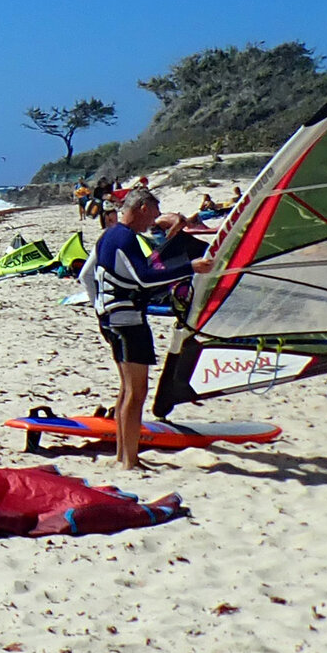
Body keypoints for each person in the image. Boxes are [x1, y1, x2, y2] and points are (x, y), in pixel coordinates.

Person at [85, 190, 202, 472]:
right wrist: (190, 267)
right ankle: (130, 460)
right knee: (137, 393)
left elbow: (87, 275)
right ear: (141, 207)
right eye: (153, 211)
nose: (154, 219)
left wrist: (101, 308)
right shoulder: (124, 237)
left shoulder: (108, 236)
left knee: (127, 390)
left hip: (113, 320)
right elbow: (144, 278)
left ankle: (122, 455)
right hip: (128, 323)